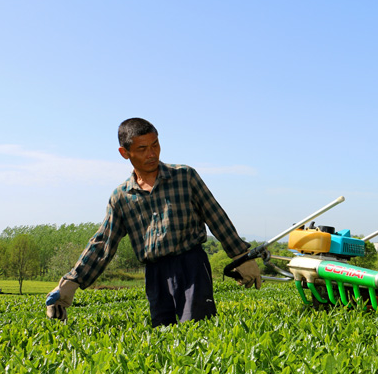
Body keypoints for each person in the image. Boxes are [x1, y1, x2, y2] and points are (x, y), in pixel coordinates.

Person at [45, 118, 261, 326]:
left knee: (197, 330)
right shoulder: (121, 197)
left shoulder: (184, 177)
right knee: (163, 335)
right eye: (142, 149)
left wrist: (242, 257)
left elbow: (216, 216)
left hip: (192, 266)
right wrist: (69, 284)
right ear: (124, 153)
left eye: (155, 145)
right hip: (155, 275)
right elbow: (103, 244)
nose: (152, 154)